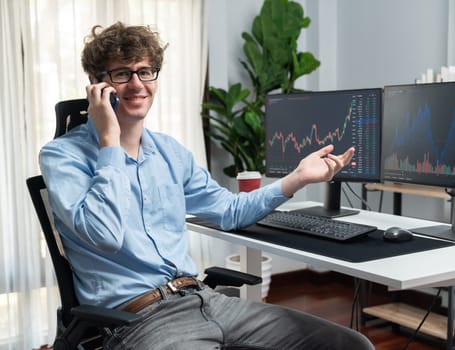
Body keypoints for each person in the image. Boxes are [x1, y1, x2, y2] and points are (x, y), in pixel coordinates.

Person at [39, 22, 374, 350]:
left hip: (205, 300)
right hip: (138, 320)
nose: (137, 83)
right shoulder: (62, 157)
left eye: (145, 71)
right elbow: (105, 236)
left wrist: (298, 177)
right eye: (122, 73)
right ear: (97, 84)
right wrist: (109, 141)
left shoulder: (170, 153)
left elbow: (229, 211)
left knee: (351, 343)